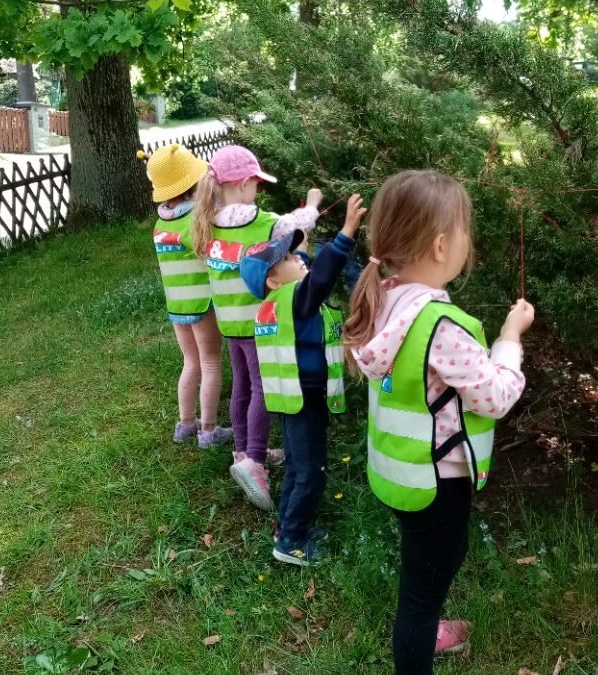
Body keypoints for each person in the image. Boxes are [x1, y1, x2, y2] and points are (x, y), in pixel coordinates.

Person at [344, 170, 534, 673]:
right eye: (465, 229)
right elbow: (495, 397)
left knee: (429, 565)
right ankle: (422, 636)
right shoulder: (442, 326)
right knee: (420, 598)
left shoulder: (384, 300)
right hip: (437, 483)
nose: (469, 240)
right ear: (441, 244)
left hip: (400, 472)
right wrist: (510, 339)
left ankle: (427, 623)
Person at [192, 145, 322, 509]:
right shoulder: (263, 223)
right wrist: (313, 204)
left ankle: (243, 452)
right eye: (256, 184)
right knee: (262, 389)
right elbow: (298, 225)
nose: (257, 190)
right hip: (257, 323)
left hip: (229, 323)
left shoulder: (208, 220)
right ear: (243, 183)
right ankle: (256, 462)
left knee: (242, 386)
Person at [240, 194, 367, 566]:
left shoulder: (279, 300)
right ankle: (291, 541)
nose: (299, 259)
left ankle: (286, 526)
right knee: (311, 471)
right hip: (304, 397)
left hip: (293, 397)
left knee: (299, 466)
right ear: (273, 280)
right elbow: (321, 277)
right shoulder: (295, 298)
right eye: (288, 259)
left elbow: (307, 265)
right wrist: (346, 233)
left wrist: (301, 244)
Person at [142, 144, 233, 448]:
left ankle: (185, 424)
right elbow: (212, 253)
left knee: (190, 362)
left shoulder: (160, 225)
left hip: (177, 306)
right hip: (202, 305)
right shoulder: (194, 221)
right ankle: (208, 430)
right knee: (210, 363)